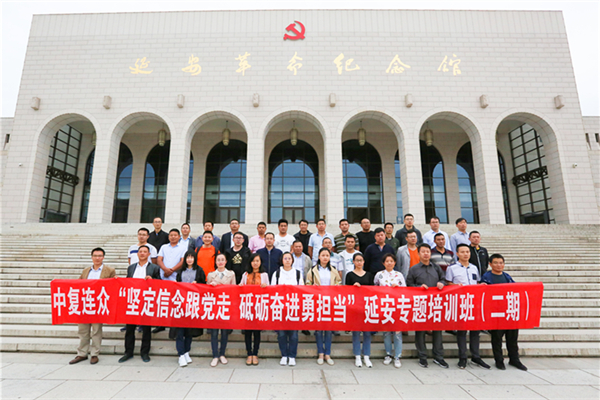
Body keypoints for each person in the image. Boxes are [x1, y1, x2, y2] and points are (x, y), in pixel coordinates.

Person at [446, 244, 490, 370]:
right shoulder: (452, 268)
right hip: (461, 303)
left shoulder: (474, 268)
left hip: (474, 302)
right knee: (462, 331)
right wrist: (455, 285)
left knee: (475, 331)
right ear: (457, 254)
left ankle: (476, 356)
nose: (466, 254)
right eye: (462, 252)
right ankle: (463, 357)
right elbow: (448, 283)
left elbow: (476, 282)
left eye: (467, 252)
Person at [69, 248, 116, 365]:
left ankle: (95, 353)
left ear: (103, 257)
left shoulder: (109, 270)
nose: (97, 258)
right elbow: (78, 284)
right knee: (83, 330)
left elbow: (113, 286)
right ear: (91, 257)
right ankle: (82, 353)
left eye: (100, 256)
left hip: (98, 304)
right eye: (95, 256)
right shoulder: (86, 271)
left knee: (96, 330)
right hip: (85, 303)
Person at [481, 254, 528, 371]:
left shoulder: (507, 276)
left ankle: (514, 359)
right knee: (497, 339)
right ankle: (499, 360)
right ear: (490, 264)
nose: (499, 265)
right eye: (496, 263)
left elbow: (515, 289)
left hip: (509, 312)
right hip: (496, 313)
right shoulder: (486, 277)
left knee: (512, 338)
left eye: (501, 263)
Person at [406, 243, 448, 369]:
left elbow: (443, 279)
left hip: (435, 303)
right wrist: (418, 287)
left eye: (428, 251)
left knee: (437, 330)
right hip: (421, 304)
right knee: (420, 331)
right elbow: (409, 285)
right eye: (423, 251)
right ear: (418, 254)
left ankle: (439, 356)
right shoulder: (413, 269)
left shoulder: (436, 267)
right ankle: (422, 356)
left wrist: (441, 283)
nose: (426, 254)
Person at [119, 245, 161, 363]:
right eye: (140, 251)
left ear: (149, 254)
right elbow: (127, 281)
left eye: (145, 252)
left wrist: (152, 280)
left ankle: (145, 353)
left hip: (147, 300)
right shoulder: (131, 267)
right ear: (137, 254)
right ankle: (128, 352)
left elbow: (160, 283)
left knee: (146, 328)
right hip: (133, 300)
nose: (142, 253)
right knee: (130, 328)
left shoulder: (154, 268)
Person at [306, 248, 342, 365]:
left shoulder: (333, 270)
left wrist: (337, 286)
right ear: (319, 257)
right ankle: (320, 352)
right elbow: (307, 284)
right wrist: (312, 286)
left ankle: (327, 353)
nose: (325, 257)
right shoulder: (313, 270)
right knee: (318, 329)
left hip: (330, 302)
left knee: (328, 329)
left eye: (327, 255)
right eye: (323, 255)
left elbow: (339, 282)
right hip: (318, 302)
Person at [175, 251, 206, 367]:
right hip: (181, 305)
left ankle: (186, 351)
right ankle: (180, 354)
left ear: (195, 259)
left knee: (189, 331)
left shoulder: (199, 270)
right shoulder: (180, 271)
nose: (189, 259)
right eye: (188, 257)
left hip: (193, 305)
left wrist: (198, 284)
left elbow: (204, 285)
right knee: (179, 331)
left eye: (192, 257)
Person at [272, 252, 304, 366]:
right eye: (285, 258)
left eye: (289, 258)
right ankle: (284, 355)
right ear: (282, 260)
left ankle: (292, 356)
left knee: (294, 334)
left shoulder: (298, 273)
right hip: (280, 307)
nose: (287, 260)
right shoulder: (277, 273)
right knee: (281, 334)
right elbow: (272, 290)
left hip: (294, 307)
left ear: (292, 260)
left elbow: (302, 290)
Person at [374, 254, 405, 368]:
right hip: (384, 306)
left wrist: (398, 288)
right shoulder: (379, 275)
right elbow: (374, 288)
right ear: (383, 263)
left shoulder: (399, 275)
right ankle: (388, 354)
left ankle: (397, 356)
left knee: (397, 332)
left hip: (397, 306)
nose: (389, 263)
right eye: (387, 261)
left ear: (395, 262)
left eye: (391, 261)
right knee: (386, 332)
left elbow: (405, 290)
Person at [154, 228, 187, 334]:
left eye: (175, 235)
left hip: (175, 278)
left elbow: (183, 261)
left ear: (179, 237)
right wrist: (165, 269)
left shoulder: (183, 248)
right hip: (163, 277)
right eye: (171, 235)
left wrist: (171, 270)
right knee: (162, 301)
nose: (173, 237)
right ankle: (161, 324)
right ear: (168, 237)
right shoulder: (164, 247)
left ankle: (173, 324)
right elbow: (159, 259)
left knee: (175, 302)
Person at [240, 253, 269, 366]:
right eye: (253, 261)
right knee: (247, 331)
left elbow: (269, 290)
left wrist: (265, 286)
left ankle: (255, 353)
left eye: (257, 261)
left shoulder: (264, 275)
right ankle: (249, 353)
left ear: (260, 262)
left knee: (257, 331)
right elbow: (240, 288)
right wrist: (240, 286)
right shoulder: (245, 274)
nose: (255, 263)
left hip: (259, 306)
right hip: (247, 306)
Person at [206, 253, 235, 367]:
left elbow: (234, 289)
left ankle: (222, 353)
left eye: (222, 260)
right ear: (215, 262)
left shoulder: (231, 274)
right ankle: (215, 355)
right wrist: (211, 286)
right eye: (218, 260)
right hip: (214, 306)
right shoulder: (211, 275)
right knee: (214, 332)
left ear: (226, 261)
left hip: (226, 305)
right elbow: (207, 292)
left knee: (224, 332)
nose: (220, 262)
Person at [345, 253, 373, 368]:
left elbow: (373, 290)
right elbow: (346, 291)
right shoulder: (349, 275)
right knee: (356, 332)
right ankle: (357, 355)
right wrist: (353, 287)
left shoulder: (369, 275)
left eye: (361, 260)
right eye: (357, 260)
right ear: (353, 262)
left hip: (367, 306)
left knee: (367, 333)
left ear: (364, 261)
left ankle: (366, 355)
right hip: (355, 307)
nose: (359, 262)